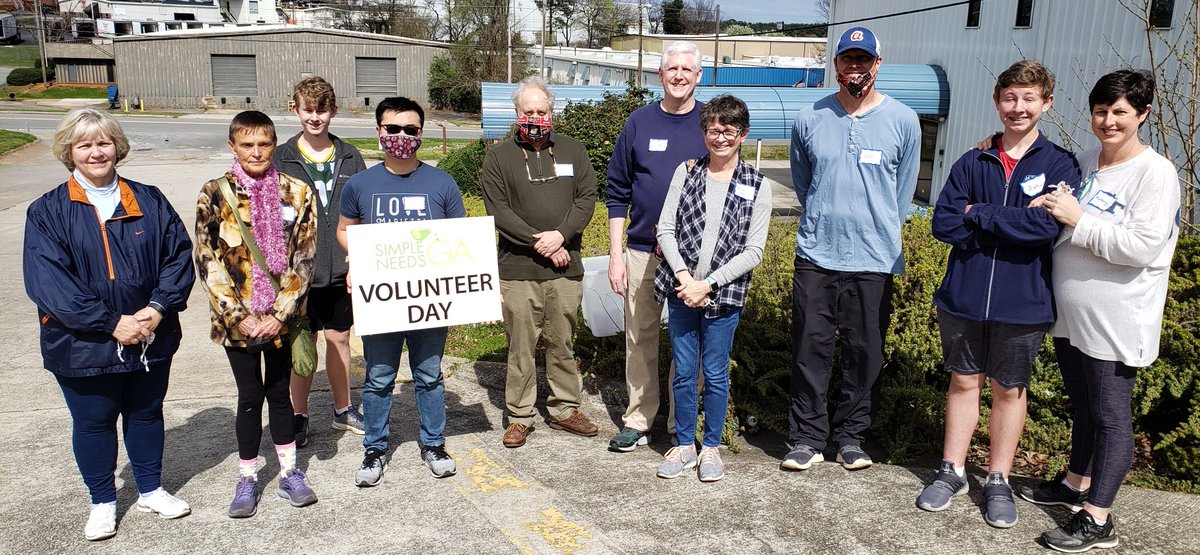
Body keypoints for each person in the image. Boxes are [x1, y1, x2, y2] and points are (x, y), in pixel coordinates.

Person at [1020, 69, 1180, 553]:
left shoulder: (1156, 174)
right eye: (1100, 111)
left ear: (1143, 115)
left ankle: (1098, 519)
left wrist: (1079, 219)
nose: (1108, 121)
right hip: (1072, 315)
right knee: (1085, 406)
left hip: (1118, 317)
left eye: (1120, 113)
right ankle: (1075, 483)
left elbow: (1143, 247)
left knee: (1111, 414)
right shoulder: (1088, 160)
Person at [916, 60, 1081, 528]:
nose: (1018, 107)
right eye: (1010, 98)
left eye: (1030, 98)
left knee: (1009, 390)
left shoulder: (1059, 163)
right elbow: (943, 222)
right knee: (964, 382)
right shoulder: (974, 159)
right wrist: (998, 216)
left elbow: (1045, 228)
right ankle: (952, 471)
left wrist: (977, 212)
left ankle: (998, 479)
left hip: (1023, 301)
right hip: (963, 297)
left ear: (1046, 104)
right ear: (997, 102)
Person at [24, 108, 195, 541]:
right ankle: (102, 500)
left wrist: (158, 307)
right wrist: (109, 322)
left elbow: (177, 257)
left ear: (117, 146)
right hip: (81, 342)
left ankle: (151, 489)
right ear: (69, 152)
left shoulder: (150, 199)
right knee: (94, 421)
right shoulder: (47, 211)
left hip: (149, 333)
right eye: (84, 145)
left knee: (145, 414)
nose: (96, 152)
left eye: (103, 142)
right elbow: (49, 283)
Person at [783, 26, 921, 471]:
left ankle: (851, 438)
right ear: (836, 65)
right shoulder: (809, 118)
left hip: (874, 260)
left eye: (864, 61)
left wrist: (877, 229)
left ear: (878, 64)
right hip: (817, 255)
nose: (855, 69)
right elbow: (805, 184)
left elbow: (901, 194)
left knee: (865, 355)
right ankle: (806, 438)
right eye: (848, 60)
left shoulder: (904, 120)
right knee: (810, 350)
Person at [195, 110, 319, 518]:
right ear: (233, 146)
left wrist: (281, 313)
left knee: (280, 396)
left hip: (280, 319)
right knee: (249, 397)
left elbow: (305, 258)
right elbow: (207, 259)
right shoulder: (214, 193)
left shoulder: (297, 192)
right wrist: (237, 316)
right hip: (238, 323)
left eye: (264, 143)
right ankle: (247, 477)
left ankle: (289, 473)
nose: (256, 151)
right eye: (247, 144)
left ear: (274, 144)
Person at [338, 97, 466, 485]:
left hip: (428, 299)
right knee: (379, 377)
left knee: (429, 374)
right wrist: (357, 258)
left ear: (421, 134)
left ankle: (434, 444)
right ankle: (374, 449)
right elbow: (344, 230)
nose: (401, 137)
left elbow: (461, 239)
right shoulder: (360, 184)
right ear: (379, 132)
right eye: (393, 129)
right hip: (383, 299)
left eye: (410, 130)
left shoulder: (442, 183)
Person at [653, 95, 772, 482]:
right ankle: (685, 445)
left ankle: (712, 449)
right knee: (685, 372)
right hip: (683, 290)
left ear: (743, 134)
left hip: (723, 295)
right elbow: (665, 229)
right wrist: (685, 278)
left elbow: (754, 250)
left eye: (728, 130)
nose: (719, 137)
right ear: (704, 132)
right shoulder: (685, 173)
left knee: (716, 373)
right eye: (712, 129)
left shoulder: (758, 185)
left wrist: (708, 283)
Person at [481, 76, 598, 448]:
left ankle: (565, 409)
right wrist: (544, 243)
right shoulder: (498, 157)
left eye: (542, 111)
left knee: (562, 341)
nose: (535, 116)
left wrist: (561, 235)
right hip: (517, 270)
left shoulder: (573, 151)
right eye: (528, 111)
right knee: (521, 346)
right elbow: (498, 210)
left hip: (566, 269)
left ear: (552, 113)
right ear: (517, 114)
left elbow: (587, 198)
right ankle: (520, 415)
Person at [605, 41, 709, 452]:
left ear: (699, 76)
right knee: (639, 336)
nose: (679, 75)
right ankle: (639, 418)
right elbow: (617, 191)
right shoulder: (639, 122)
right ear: (660, 75)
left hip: (695, 258)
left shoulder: (710, 122)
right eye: (672, 69)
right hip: (643, 252)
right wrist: (616, 257)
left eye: (687, 69)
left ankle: (683, 420)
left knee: (690, 341)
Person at [273, 76, 368, 447]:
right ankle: (299, 414)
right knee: (303, 345)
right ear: (294, 109)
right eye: (308, 110)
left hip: (341, 271)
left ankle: (343, 409)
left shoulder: (349, 156)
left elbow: (362, 213)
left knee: (340, 339)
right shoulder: (282, 158)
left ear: (334, 111)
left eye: (322, 110)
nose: (315, 118)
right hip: (298, 275)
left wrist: (357, 260)